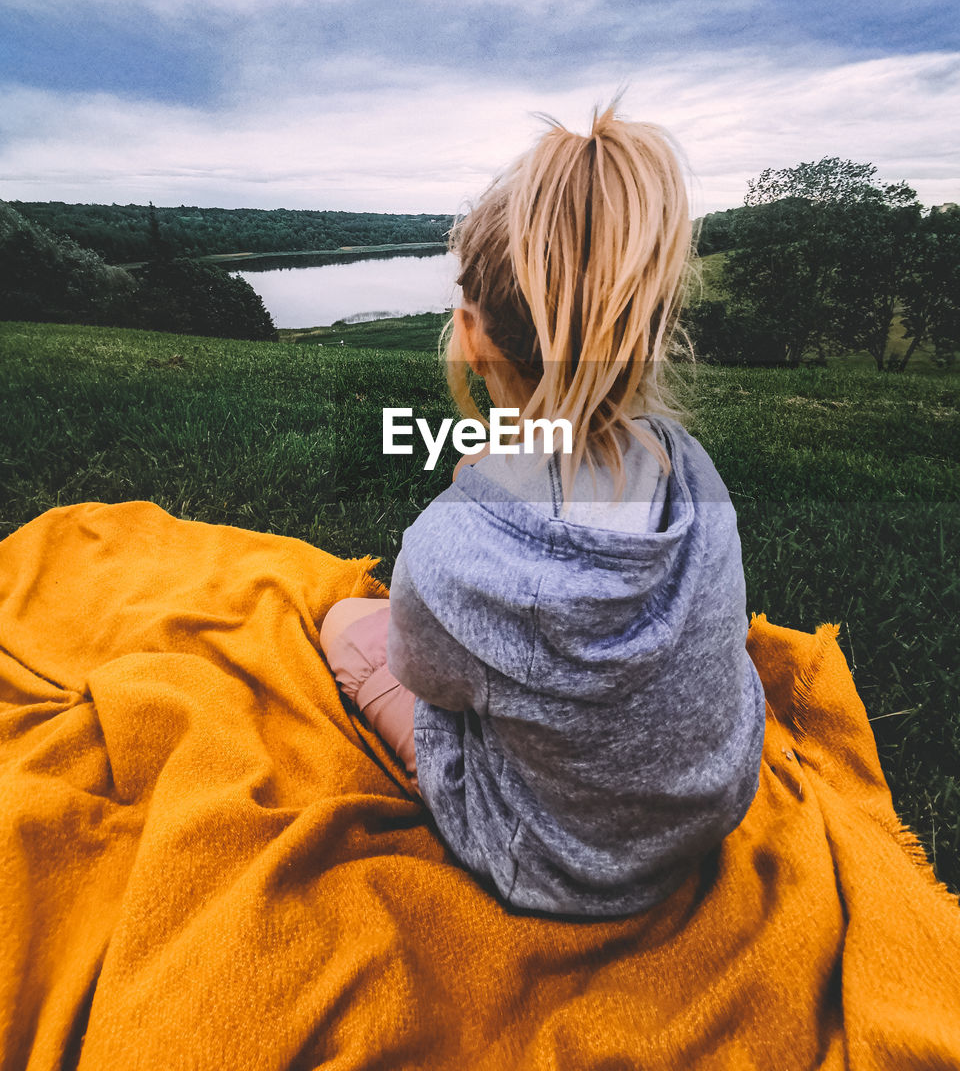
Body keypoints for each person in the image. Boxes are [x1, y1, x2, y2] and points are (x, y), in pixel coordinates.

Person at [318, 100, 766, 918]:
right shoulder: (692, 472)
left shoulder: (452, 548)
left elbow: (430, 682)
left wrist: (469, 498)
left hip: (558, 867)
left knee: (345, 620)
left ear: (473, 336)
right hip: (703, 820)